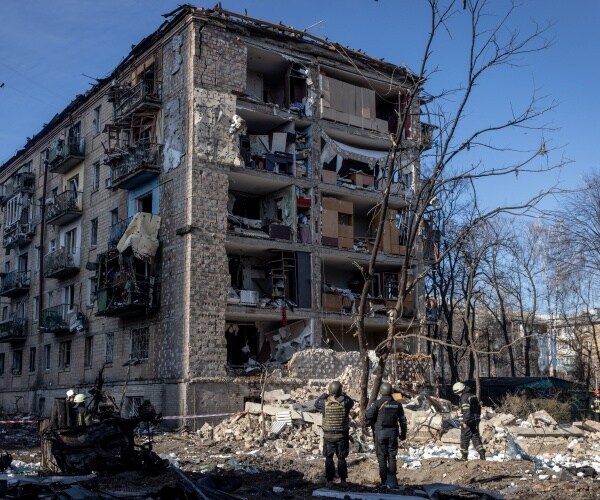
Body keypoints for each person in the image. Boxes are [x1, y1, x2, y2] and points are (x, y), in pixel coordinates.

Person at [365, 382, 407, 488]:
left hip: (380, 434)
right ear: (391, 391)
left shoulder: (377, 403)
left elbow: (368, 415)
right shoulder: (398, 403)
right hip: (393, 434)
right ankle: (392, 479)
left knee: (382, 457)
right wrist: (403, 433)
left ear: (381, 391)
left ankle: (384, 481)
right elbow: (403, 420)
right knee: (392, 457)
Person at [314, 380, 354, 487]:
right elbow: (352, 402)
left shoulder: (324, 403)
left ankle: (329, 481)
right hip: (342, 436)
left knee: (329, 458)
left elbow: (315, 404)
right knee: (341, 458)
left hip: (328, 436)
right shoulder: (345, 402)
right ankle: (343, 481)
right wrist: (344, 395)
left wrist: (323, 395)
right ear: (340, 390)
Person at [453, 382, 485, 461]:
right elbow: (478, 408)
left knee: (464, 437)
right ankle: (482, 453)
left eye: (458, 393)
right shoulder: (472, 395)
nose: (458, 395)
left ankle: (464, 457)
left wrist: (465, 421)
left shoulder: (464, 397)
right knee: (475, 437)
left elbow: (467, 411)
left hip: (469, 421)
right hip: (475, 420)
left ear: (460, 391)